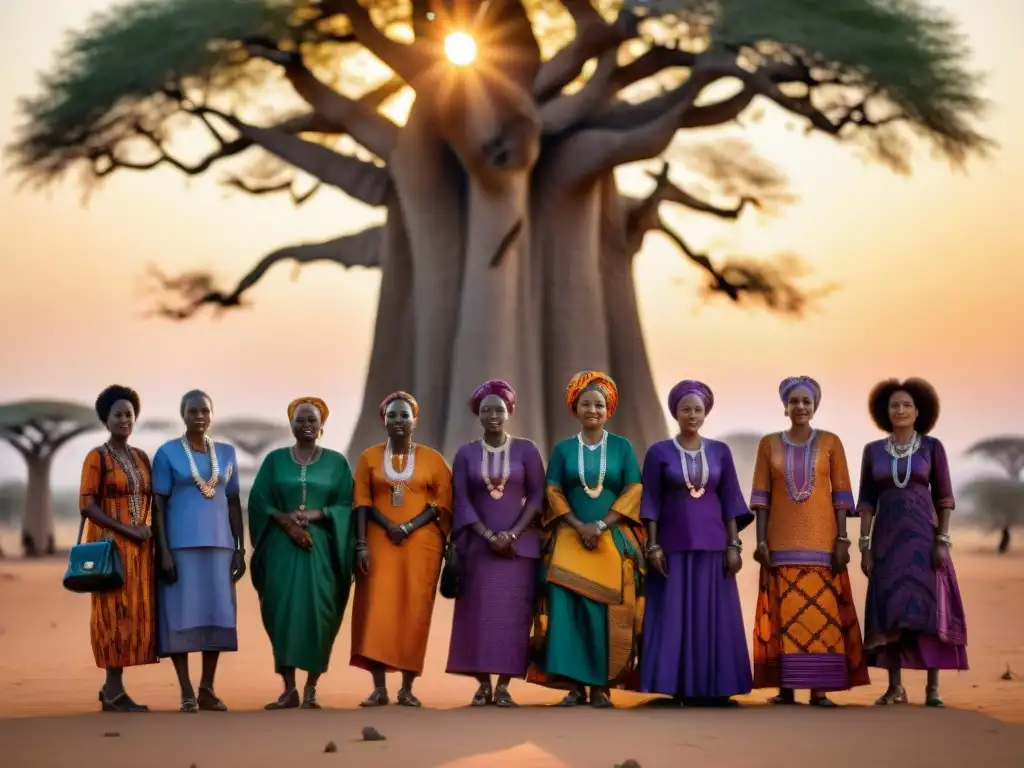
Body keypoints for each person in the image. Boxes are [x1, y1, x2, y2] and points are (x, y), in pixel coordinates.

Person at [749, 376, 870, 706]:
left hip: (823, 543)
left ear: (815, 406)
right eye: (794, 402)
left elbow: (842, 495)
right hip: (780, 542)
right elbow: (761, 497)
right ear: (784, 407)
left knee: (822, 616)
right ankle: (786, 690)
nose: (800, 407)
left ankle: (820, 690)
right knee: (784, 615)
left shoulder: (831, 442)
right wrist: (761, 542)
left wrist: (843, 539)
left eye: (806, 401)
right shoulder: (768, 444)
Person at [527, 371, 645, 708]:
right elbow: (551, 490)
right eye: (585, 404)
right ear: (575, 408)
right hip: (568, 539)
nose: (592, 409)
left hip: (611, 540)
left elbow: (633, 489)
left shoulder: (622, 447)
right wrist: (579, 525)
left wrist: (601, 525)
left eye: (599, 404)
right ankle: (575, 687)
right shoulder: (564, 449)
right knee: (567, 613)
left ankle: (600, 688)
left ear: (609, 410)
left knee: (603, 614)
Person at [639, 380, 753, 706]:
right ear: (675, 412)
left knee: (713, 618)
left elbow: (730, 499)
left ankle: (715, 688)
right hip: (671, 549)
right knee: (674, 616)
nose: (692, 415)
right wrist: (652, 546)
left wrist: (734, 546)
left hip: (714, 547)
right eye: (686, 409)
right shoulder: (659, 452)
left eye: (698, 410)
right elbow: (650, 503)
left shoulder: (720, 451)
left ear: (706, 414)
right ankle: (678, 687)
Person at [857, 378, 968, 707]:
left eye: (907, 405)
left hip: (924, 539)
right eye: (894, 405)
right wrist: (865, 545)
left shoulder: (932, 448)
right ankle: (895, 687)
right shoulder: (872, 451)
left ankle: (933, 688)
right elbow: (866, 501)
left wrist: (942, 540)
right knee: (890, 608)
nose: (900, 410)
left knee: (928, 609)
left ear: (919, 411)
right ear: (884, 412)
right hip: (886, 541)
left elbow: (945, 498)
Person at [248, 397, 356, 710]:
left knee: (319, 616)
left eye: (312, 420)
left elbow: (348, 505)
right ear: (291, 424)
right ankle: (288, 688)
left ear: (322, 425)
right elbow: (259, 501)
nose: (306, 425)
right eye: (300, 420)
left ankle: (310, 687)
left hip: (322, 551)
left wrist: (316, 515)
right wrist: (286, 522)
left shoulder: (336, 463)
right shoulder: (274, 460)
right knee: (281, 614)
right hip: (281, 549)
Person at [446, 380, 545, 707]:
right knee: (479, 616)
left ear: (510, 412)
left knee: (514, 617)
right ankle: (482, 684)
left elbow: (537, 498)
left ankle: (504, 686)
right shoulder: (466, 453)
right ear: (477, 414)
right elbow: (461, 499)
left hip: (519, 550)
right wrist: (488, 536)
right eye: (486, 410)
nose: (493, 415)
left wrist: (512, 534)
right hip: (478, 548)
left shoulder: (527, 451)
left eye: (499, 409)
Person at [351, 391, 453, 707]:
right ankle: (379, 687)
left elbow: (442, 501)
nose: (398, 420)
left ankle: (407, 688)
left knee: (414, 612)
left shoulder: (432, 459)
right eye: (392, 415)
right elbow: (361, 503)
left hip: (422, 544)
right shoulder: (369, 457)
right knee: (377, 611)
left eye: (404, 415)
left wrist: (408, 526)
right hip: (379, 543)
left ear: (415, 420)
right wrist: (363, 543)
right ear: (384, 419)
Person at [152, 389, 246, 713]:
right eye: (193, 411)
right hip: (180, 548)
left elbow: (233, 502)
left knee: (216, 615)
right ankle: (186, 690)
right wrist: (162, 550)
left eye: (204, 411)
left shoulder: (227, 453)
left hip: (219, 547)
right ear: (183, 414)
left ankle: (207, 687)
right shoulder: (167, 454)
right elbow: (158, 506)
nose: (199, 416)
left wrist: (239, 548)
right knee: (180, 616)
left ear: (211, 414)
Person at [78, 385, 157, 712]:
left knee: (134, 615)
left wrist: (148, 531)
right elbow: (87, 506)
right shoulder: (96, 457)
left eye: (129, 414)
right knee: (113, 615)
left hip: (139, 550)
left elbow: (152, 501)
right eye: (118, 415)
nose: (125, 420)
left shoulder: (140, 457)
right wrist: (126, 529)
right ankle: (113, 692)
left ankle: (111, 688)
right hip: (110, 548)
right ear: (105, 419)